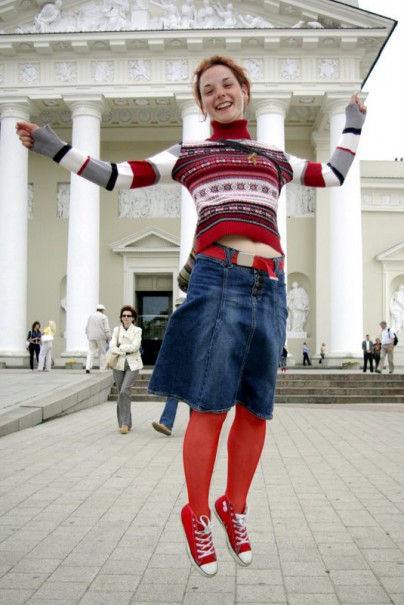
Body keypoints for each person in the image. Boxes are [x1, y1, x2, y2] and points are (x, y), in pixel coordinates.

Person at [16, 55, 366, 577]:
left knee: (256, 410)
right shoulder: (189, 153)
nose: (219, 93)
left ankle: (234, 507)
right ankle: (197, 513)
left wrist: (354, 122)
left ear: (245, 89)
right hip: (218, 278)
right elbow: (117, 176)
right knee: (210, 405)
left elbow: (334, 172)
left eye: (228, 84)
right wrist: (54, 147)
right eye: (208, 90)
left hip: (270, 285)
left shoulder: (274, 157)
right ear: (201, 103)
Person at [108, 305, 143, 434]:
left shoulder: (137, 330)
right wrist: (123, 349)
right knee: (121, 393)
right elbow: (112, 347)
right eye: (124, 315)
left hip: (133, 364)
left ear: (133, 318)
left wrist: (121, 347)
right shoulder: (116, 330)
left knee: (124, 391)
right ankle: (125, 423)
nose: (126, 318)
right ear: (121, 318)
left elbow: (135, 347)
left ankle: (125, 423)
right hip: (118, 364)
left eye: (129, 316)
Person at [85, 304, 111, 373]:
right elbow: (106, 328)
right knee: (102, 352)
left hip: (91, 336)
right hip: (101, 337)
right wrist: (109, 337)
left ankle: (88, 367)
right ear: (102, 310)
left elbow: (87, 327)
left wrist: (87, 335)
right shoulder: (104, 317)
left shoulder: (91, 316)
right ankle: (102, 368)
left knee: (90, 352)